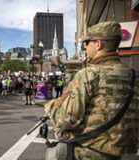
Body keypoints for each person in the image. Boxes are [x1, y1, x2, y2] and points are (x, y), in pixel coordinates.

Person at [44, 21, 139, 160]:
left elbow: (66, 119)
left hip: (91, 154)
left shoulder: (89, 74)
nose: (85, 47)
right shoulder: (134, 76)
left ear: (98, 44)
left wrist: (50, 106)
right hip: (128, 154)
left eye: (87, 43)